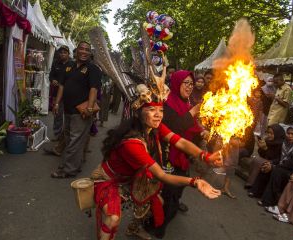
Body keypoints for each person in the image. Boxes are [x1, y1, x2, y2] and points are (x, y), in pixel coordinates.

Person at [92, 88, 223, 240]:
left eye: (161, 110)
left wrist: (205, 156)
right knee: (113, 218)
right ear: (139, 112)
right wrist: (194, 181)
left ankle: (134, 228)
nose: (158, 114)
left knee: (156, 203)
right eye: (151, 109)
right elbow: (161, 175)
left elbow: (179, 141)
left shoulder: (155, 127)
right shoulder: (132, 143)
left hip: (134, 175)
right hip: (110, 180)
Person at [157, 70, 209, 238]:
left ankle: (174, 204)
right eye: (185, 83)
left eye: (191, 84)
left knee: (181, 183)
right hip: (168, 153)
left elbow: (190, 125)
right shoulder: (167, 102)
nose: (189, 86)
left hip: (183, 152)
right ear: (176, 83)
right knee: (168, 188)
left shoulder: (186, 101)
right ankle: (158, 224)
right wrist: (194, 111)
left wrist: (200, 131)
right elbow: (175, 127)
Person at [51, 41, 102, 178]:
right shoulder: (68, 66)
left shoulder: (93, 69)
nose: (84, 52)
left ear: (90, 53)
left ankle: (68, 170)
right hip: (67, 110)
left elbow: (94, 89)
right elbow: (61, 86)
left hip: (81, 112)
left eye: (87, 49)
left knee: (75, 140)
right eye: (82, 49)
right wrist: (56, 104)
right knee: (69, 139)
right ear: (77, 50)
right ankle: (73, 164)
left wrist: (90, 108)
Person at [260, 126, 293, 211]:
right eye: (288, 133)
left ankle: (270, 201)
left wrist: (275, 166)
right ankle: (258, 193)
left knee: (277, 171)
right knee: (267, 165)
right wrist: (272, 163)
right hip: (288, 168)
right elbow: (280, 159)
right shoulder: (286, 143)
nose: (290, 136)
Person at [246, 124, 285, 190]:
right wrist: (261, 148)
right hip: (266, 159)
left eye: (272, 133)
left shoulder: (281, 144)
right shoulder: (268, 141)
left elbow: (277, 158)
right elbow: (262, 155)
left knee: (259, 161)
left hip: (274, 162)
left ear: (277, 134)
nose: (269, 135)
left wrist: (266, 149)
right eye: (268, 133)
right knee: (256, 159)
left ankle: (253, 184)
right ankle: (251, 182)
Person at [49, 45, 71, 141]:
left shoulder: (72, 64)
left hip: (68, 94)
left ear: (68, 54)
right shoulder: (55, 63)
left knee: (68, 115)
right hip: (56, 93)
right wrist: (52, 80)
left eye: (65, 52)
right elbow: (51, 75)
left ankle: (67, 136)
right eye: (61, 52)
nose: (62, 54)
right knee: (57, 114)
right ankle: (57, 135)